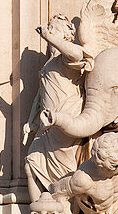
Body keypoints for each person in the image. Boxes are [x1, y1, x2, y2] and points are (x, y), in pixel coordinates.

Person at [23, 16, 92, 204]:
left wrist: (48, 37)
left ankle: (65, 213)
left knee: (65, 172)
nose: (49, 30)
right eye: (48, 28)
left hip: (65, 118)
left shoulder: (66, 57)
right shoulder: (49, 63)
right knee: (31, 165)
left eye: (53, 28)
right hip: (45, 125)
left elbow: (79, 55)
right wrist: (30, 121)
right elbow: (39, 96)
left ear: (66, 35)